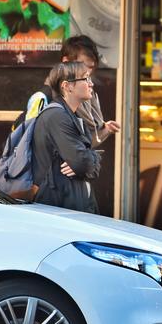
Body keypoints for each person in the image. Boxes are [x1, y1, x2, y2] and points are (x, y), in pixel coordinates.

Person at [32, 61, 102, 214]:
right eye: (85, 79)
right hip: (59, 207)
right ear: (67, 86)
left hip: (73, 203)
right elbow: (82, 162)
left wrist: (88, 160)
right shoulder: (57, 116)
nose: (91, 84)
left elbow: (87, 164)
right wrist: (85, 161)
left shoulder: (74, 116)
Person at [26, 35, 120, 147]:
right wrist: (68, 157)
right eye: (83, 65)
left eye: (91, 67)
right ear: (66, 62)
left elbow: (85, 143)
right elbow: (32, 142)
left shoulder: (86, 96)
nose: (88, 73)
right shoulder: (45, 97)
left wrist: (106, 130)